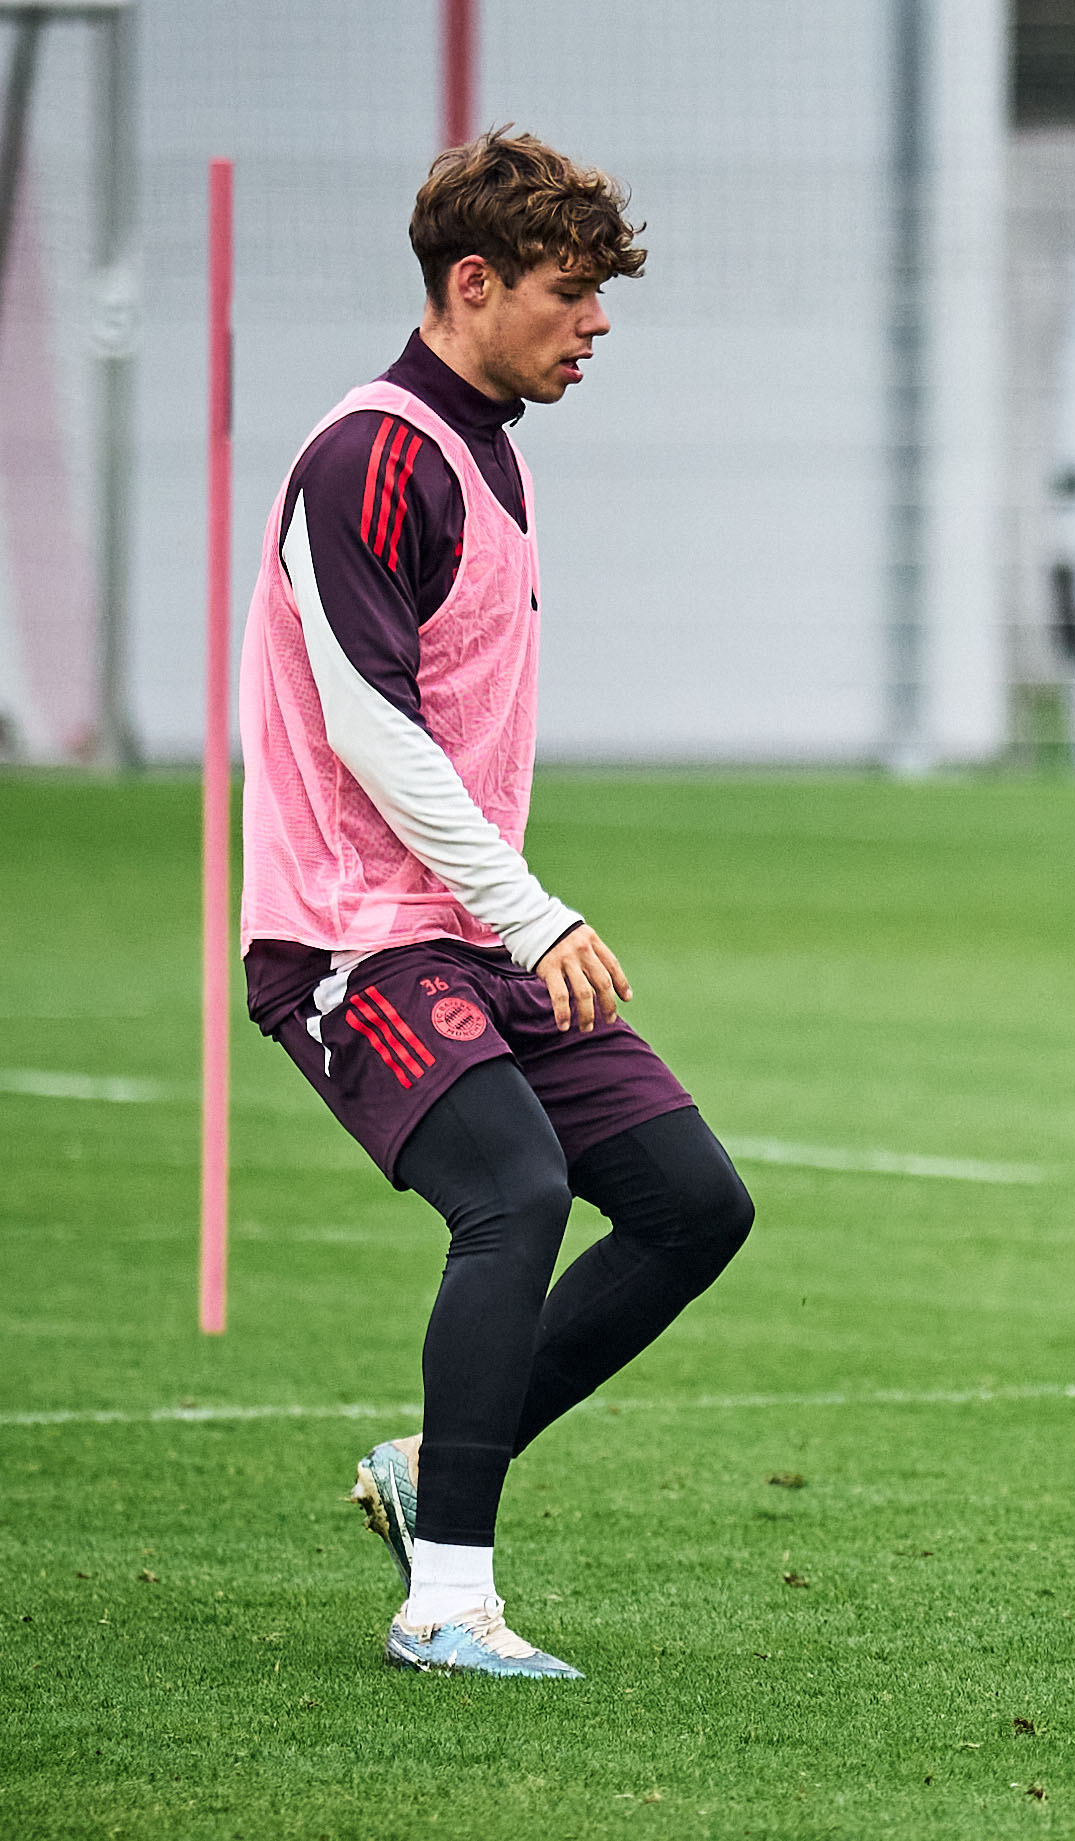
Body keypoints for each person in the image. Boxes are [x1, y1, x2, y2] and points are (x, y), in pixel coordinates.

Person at [239, 130, 754, 1680]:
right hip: (352, 937)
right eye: (569, 292)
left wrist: (507, 920)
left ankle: (427, 1468)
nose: (595, 325)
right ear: (474, 284)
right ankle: (444, 1598)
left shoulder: (491, 450)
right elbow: (368, 720)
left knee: (689, 1206)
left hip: (467, 930)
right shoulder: (373, 452)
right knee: (516, 1194)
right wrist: (531, 913)